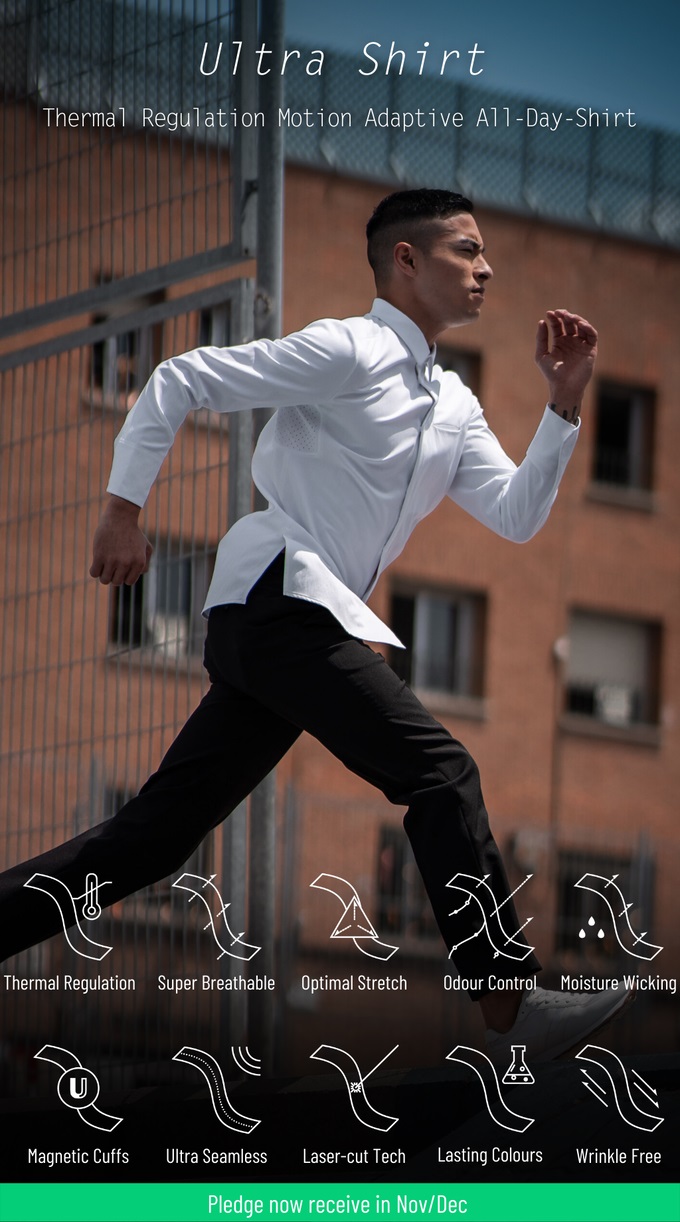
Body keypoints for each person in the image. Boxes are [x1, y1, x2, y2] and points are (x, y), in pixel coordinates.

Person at [0, 189, 632, 1062]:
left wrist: (563, 404)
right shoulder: (350, 347)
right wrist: (122, 511)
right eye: (466, 250)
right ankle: (510, 1006)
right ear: (406, 260)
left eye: (486, 253)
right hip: (278, 599)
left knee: (154, 839)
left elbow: (517, 516)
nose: (486, 268)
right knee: (440, 771)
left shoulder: (453, 403)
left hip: (290, 624)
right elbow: (181, 378)